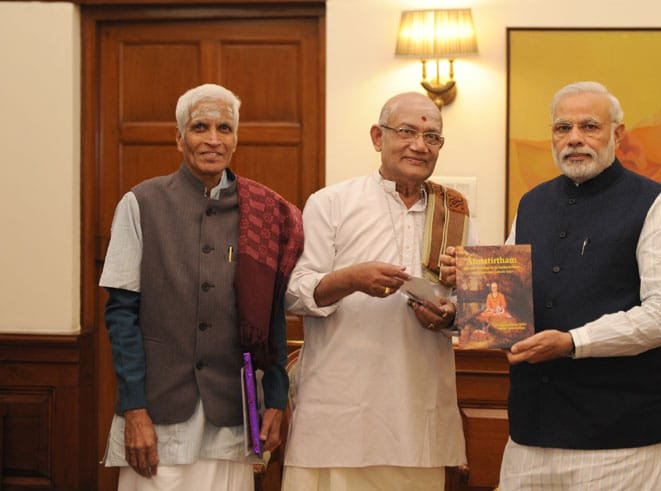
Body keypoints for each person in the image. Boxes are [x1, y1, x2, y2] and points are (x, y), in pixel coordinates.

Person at [442, 81, 661, 489]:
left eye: (589, 126)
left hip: (623, 438)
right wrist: (460, 298)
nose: (575, 138)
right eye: (563, 128)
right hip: (532, 433)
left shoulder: (655, 203)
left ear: (618, 134)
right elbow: (509, 304)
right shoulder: (532, 202)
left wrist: (573, 342)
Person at [99, 83, 304, 490]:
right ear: (179, 138)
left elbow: (272, 318)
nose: (213, 139)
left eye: (224, 128)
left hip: (231, 413)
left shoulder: (263, 212)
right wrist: (133, 409)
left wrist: (277, 401)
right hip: (158, 411)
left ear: (236, 139)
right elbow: (121, 315)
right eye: (200, 127)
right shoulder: (140, 203)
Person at [282, 92, 476, 490]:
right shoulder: (331, 202)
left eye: (432, 137)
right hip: (341, 410)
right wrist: (350, 279)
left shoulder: (453, 211)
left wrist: (451, 314)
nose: (420, 145)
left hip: (417, 409)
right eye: (407, 131)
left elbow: (474, 310)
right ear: (377, 136)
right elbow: (294, 293)